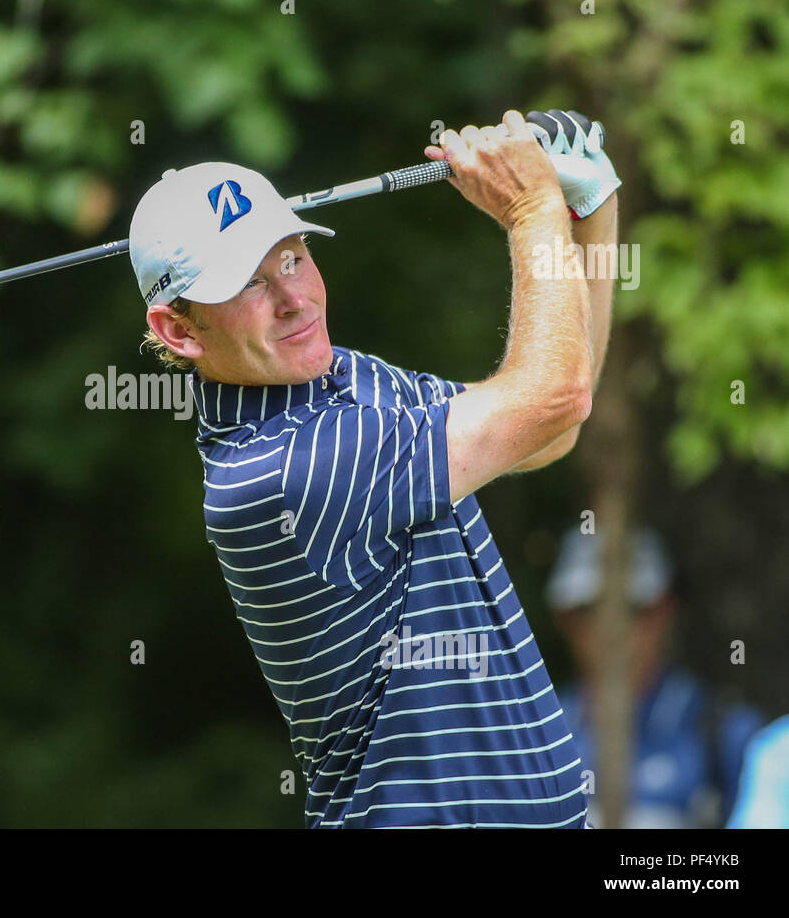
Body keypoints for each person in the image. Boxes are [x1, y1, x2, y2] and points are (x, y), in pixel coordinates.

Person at [130, 109, 619, 827]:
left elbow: (547, 430)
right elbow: (552, 397)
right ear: (178, 328)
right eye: (248, 285)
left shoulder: (342, 381)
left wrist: (589, 212)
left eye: (292, 258)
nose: (294, 299)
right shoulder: (277, 472)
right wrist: (532, 209)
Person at [547, 527, 765, 828]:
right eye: (590, 609)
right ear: (563, 617)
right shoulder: (535, 733)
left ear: (665, 611)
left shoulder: (725, 734)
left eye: (634, 608)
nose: (613, 629)